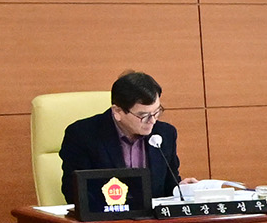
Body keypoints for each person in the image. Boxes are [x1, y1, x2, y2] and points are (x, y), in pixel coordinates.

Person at [55, 71, 181, 200]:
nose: (153, 120)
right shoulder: (82, 135)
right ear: (117, 112)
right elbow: (74, 192)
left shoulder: (165, 133)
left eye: (157, 112)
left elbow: (168, 187)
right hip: (106, 217)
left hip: (153, 218)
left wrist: (182, 190)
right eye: (143, 116)